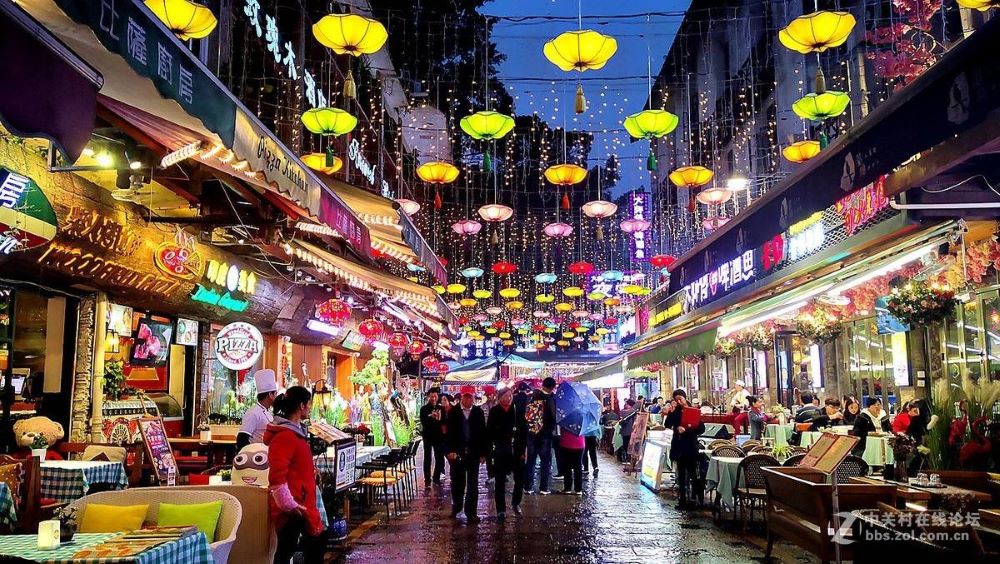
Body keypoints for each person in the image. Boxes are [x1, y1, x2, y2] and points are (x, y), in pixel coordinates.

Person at [265, 386, 327, 564]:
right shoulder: (285, 436)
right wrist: (290, 505)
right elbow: (277, 477)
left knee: (300, 548)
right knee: (288, 551)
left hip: (302, 503)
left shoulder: (294, 433)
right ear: (301, 406)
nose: (309, 407)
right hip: (294, 508)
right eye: (309, 403)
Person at [446, 388, 488, 523]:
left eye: (471, 397)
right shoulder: (453, 412)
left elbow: (483, 434)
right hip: (457, 453)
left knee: (473, 484)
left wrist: (483, 453)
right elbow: (448, 434)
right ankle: (457, 507)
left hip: (474, 453)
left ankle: (471, 512)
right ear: (462, 397)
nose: (469, 400)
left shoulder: (478, 412)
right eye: (467, 397)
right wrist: (449, 451)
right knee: (457, 482)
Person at [663, 389, 705, 509]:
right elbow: (667, 425)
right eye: (676, 399)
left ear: (685, 398)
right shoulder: (675, 411)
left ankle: (694, 498)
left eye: (680, 398)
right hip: (679, 445)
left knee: (692, 473)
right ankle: (682, 499)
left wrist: (687, 429)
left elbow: (701, 429)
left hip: (690, 446)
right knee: (681, 475)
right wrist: (670, 413)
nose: (678, 401)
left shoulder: (693, 411)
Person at [488, 387, 525, 519]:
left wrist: (522, 450)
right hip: (500, 450)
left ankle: (516, 502)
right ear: (500, 397)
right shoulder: (494, 411)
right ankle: (501, 509)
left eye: (510, 396)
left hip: (516, 449)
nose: (509, 398)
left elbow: (523, 431)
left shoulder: (517, 410)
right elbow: (490, 432)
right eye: (506, 396)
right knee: (500, 481)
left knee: (519, 479)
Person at [523, 377, 557, 495]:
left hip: (532, 433)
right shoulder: (549, 398)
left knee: (531, 461)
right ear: (552, 387)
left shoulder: (531, 396)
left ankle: (528, 487)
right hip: (545, 435)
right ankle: (543, 487)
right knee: (545, 462)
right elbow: (553, 416)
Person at [237, 369, 278, 451]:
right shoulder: (253, 413)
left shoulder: (268, 411)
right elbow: (242, 438)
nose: (276, 397)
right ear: (270, 395)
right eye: (275, 393)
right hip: (256, 456)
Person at [420, 387, 445, 487]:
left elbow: (444, 422)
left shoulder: (441, 408)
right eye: (431, 397)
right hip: (427, 435)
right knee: (427, 458)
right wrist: (430, 416)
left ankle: (436, 478)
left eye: (435, 396)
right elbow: (423, 422)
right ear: (428, 397)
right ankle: (427, 480)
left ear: (437, 396)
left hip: (438, 436)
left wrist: (439, 418)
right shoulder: (424, 409)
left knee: (439, 457)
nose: (433, 398)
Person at [559, 424, 585, 495]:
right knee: (578, 466)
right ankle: (578, 489)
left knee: (567, 466)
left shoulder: (565, 415)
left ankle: (567, 488)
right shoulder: (583, 415)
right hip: (580, 442)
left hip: (566, 442)